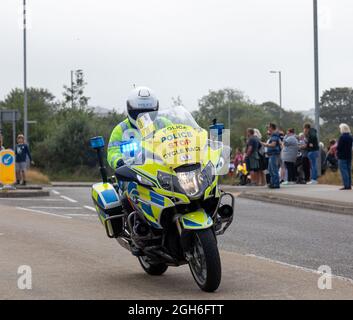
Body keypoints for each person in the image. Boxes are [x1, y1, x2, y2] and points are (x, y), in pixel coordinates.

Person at [107, 87, 160, 170]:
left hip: (162, 171)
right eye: (138, 113)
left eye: (149, 112)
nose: (143, 117)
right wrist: (119, 161)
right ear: (130, 109)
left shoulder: (164, 124)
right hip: (132, 174)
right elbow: (113, 151)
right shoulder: (121, 129)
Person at [262, 123, 281, 189]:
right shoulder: (273, 135)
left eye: (269, 127)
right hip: (271, 154)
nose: (268, 128)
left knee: (274, 169)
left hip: (274, 154)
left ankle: (276, 184)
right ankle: (273, 183)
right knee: (270, 169)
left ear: (272, 128)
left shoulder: (275, 135)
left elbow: (273, 144)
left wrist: (265, 144)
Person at [336, 124, 352, 190]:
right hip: (349, 155)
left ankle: (346, 185)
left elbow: (339, 147)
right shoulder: (350, 137)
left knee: (344, 171)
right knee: (348, 171)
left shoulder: (342, 137)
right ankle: (349, 185)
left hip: (342, 156)